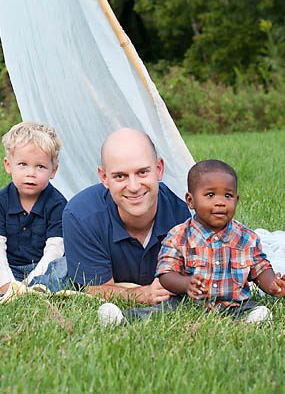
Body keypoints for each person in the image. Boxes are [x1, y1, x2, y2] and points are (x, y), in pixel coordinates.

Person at [98, 159, 285, 325]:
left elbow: (260, 268)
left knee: (254, 308)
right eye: (210, 195)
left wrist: (272, 285)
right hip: (186, 302)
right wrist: (186, 284)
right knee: (161, 311)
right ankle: (122, 317)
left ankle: (253, 319)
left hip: (233, 303)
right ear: (190, 200)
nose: (220, 202)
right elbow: (166, 274)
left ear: (236, 200)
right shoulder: (179, 236)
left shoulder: (246, 238)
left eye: (227, 196)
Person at [63, 127, 190, 305]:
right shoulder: (80, 215)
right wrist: (144, 294)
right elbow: (93, 290)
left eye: (142, 172)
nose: (133, 186)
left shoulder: (181, 213)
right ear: (104, 177)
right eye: (120, 176)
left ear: (159, 169)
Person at [0, 122, 68, 294]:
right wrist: (6, 282)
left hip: (42, 267)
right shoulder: (1, 200)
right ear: (8, 165)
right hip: (7, 266)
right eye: (23, 164)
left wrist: (31, 279)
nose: (30, 173)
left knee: (64, 264)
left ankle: (40, 288)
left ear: (53, 170)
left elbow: (54, 248)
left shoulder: (57, 203)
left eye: (40, 166)